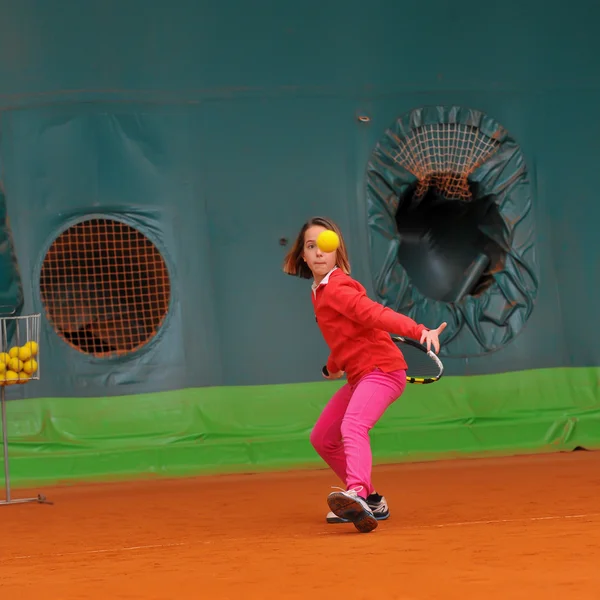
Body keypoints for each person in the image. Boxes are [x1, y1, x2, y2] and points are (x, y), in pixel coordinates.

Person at [283, 216, 446, 533]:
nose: (318, 253)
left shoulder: (339, 287)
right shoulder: (318, 293)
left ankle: (356, 491)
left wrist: (419, 330)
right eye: (311, 246)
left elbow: (375, 314)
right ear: (302, 254)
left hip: (382, 370)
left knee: (353, 425)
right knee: (323, 438)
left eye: (325, 246)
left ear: (336, 252)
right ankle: (371, 500)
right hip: (359, 375)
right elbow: (343, 338)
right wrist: (332, 367)